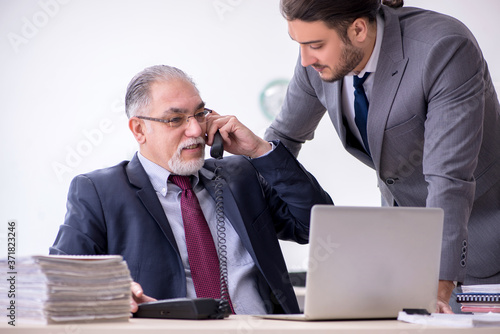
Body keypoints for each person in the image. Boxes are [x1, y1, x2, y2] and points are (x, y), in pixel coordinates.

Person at [264, 0, 500, 314]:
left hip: (484, 243)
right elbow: (284, 138)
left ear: (358, 29)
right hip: (404, 251)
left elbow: (449, 178)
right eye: (301, 45)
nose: (306, 59)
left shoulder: (444, 48)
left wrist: (440, 283)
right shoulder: (317, 61)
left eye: (316, 45)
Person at [50, 65, 333, 315]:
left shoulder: (241, 175)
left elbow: (318, 227)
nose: (196, 130)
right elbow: (60, 280)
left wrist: (260, 151)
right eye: (176, 119)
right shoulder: (99, 191)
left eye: (200, 114)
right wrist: (107, 294)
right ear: (139, 130)